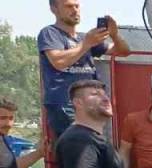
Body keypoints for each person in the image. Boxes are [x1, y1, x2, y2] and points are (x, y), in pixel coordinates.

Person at [39, 0, 130, 139]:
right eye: (69, 6)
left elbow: (123, 51)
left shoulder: (84, 38)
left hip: (92, 105)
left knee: (93, 149)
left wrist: (115, 35)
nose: (75, 10)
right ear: (54, 9)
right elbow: (58, 61)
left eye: (77, 6)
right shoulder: (49, 33)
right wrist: (87, 44)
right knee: (78, 149)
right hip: (66, 104)